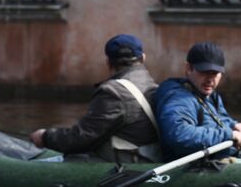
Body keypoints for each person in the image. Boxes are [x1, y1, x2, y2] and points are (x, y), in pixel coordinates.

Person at [29, 34, 161, 162]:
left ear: (108, 62)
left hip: (125, 163)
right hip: (149, 158)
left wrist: (45, 137)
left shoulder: (113, 92)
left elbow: (83, 138)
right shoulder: (153, 85)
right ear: (143, 58)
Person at [155, 41, 241, 161]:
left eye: (215, 74)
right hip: (192, 166)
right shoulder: (178, 99)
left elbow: (219, 119)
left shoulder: (209, 95)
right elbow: (179, 134)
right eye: (204, 72)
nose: (210, 80)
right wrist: (228, 135)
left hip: (219, 156)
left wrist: (234, 125)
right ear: (189, 69)